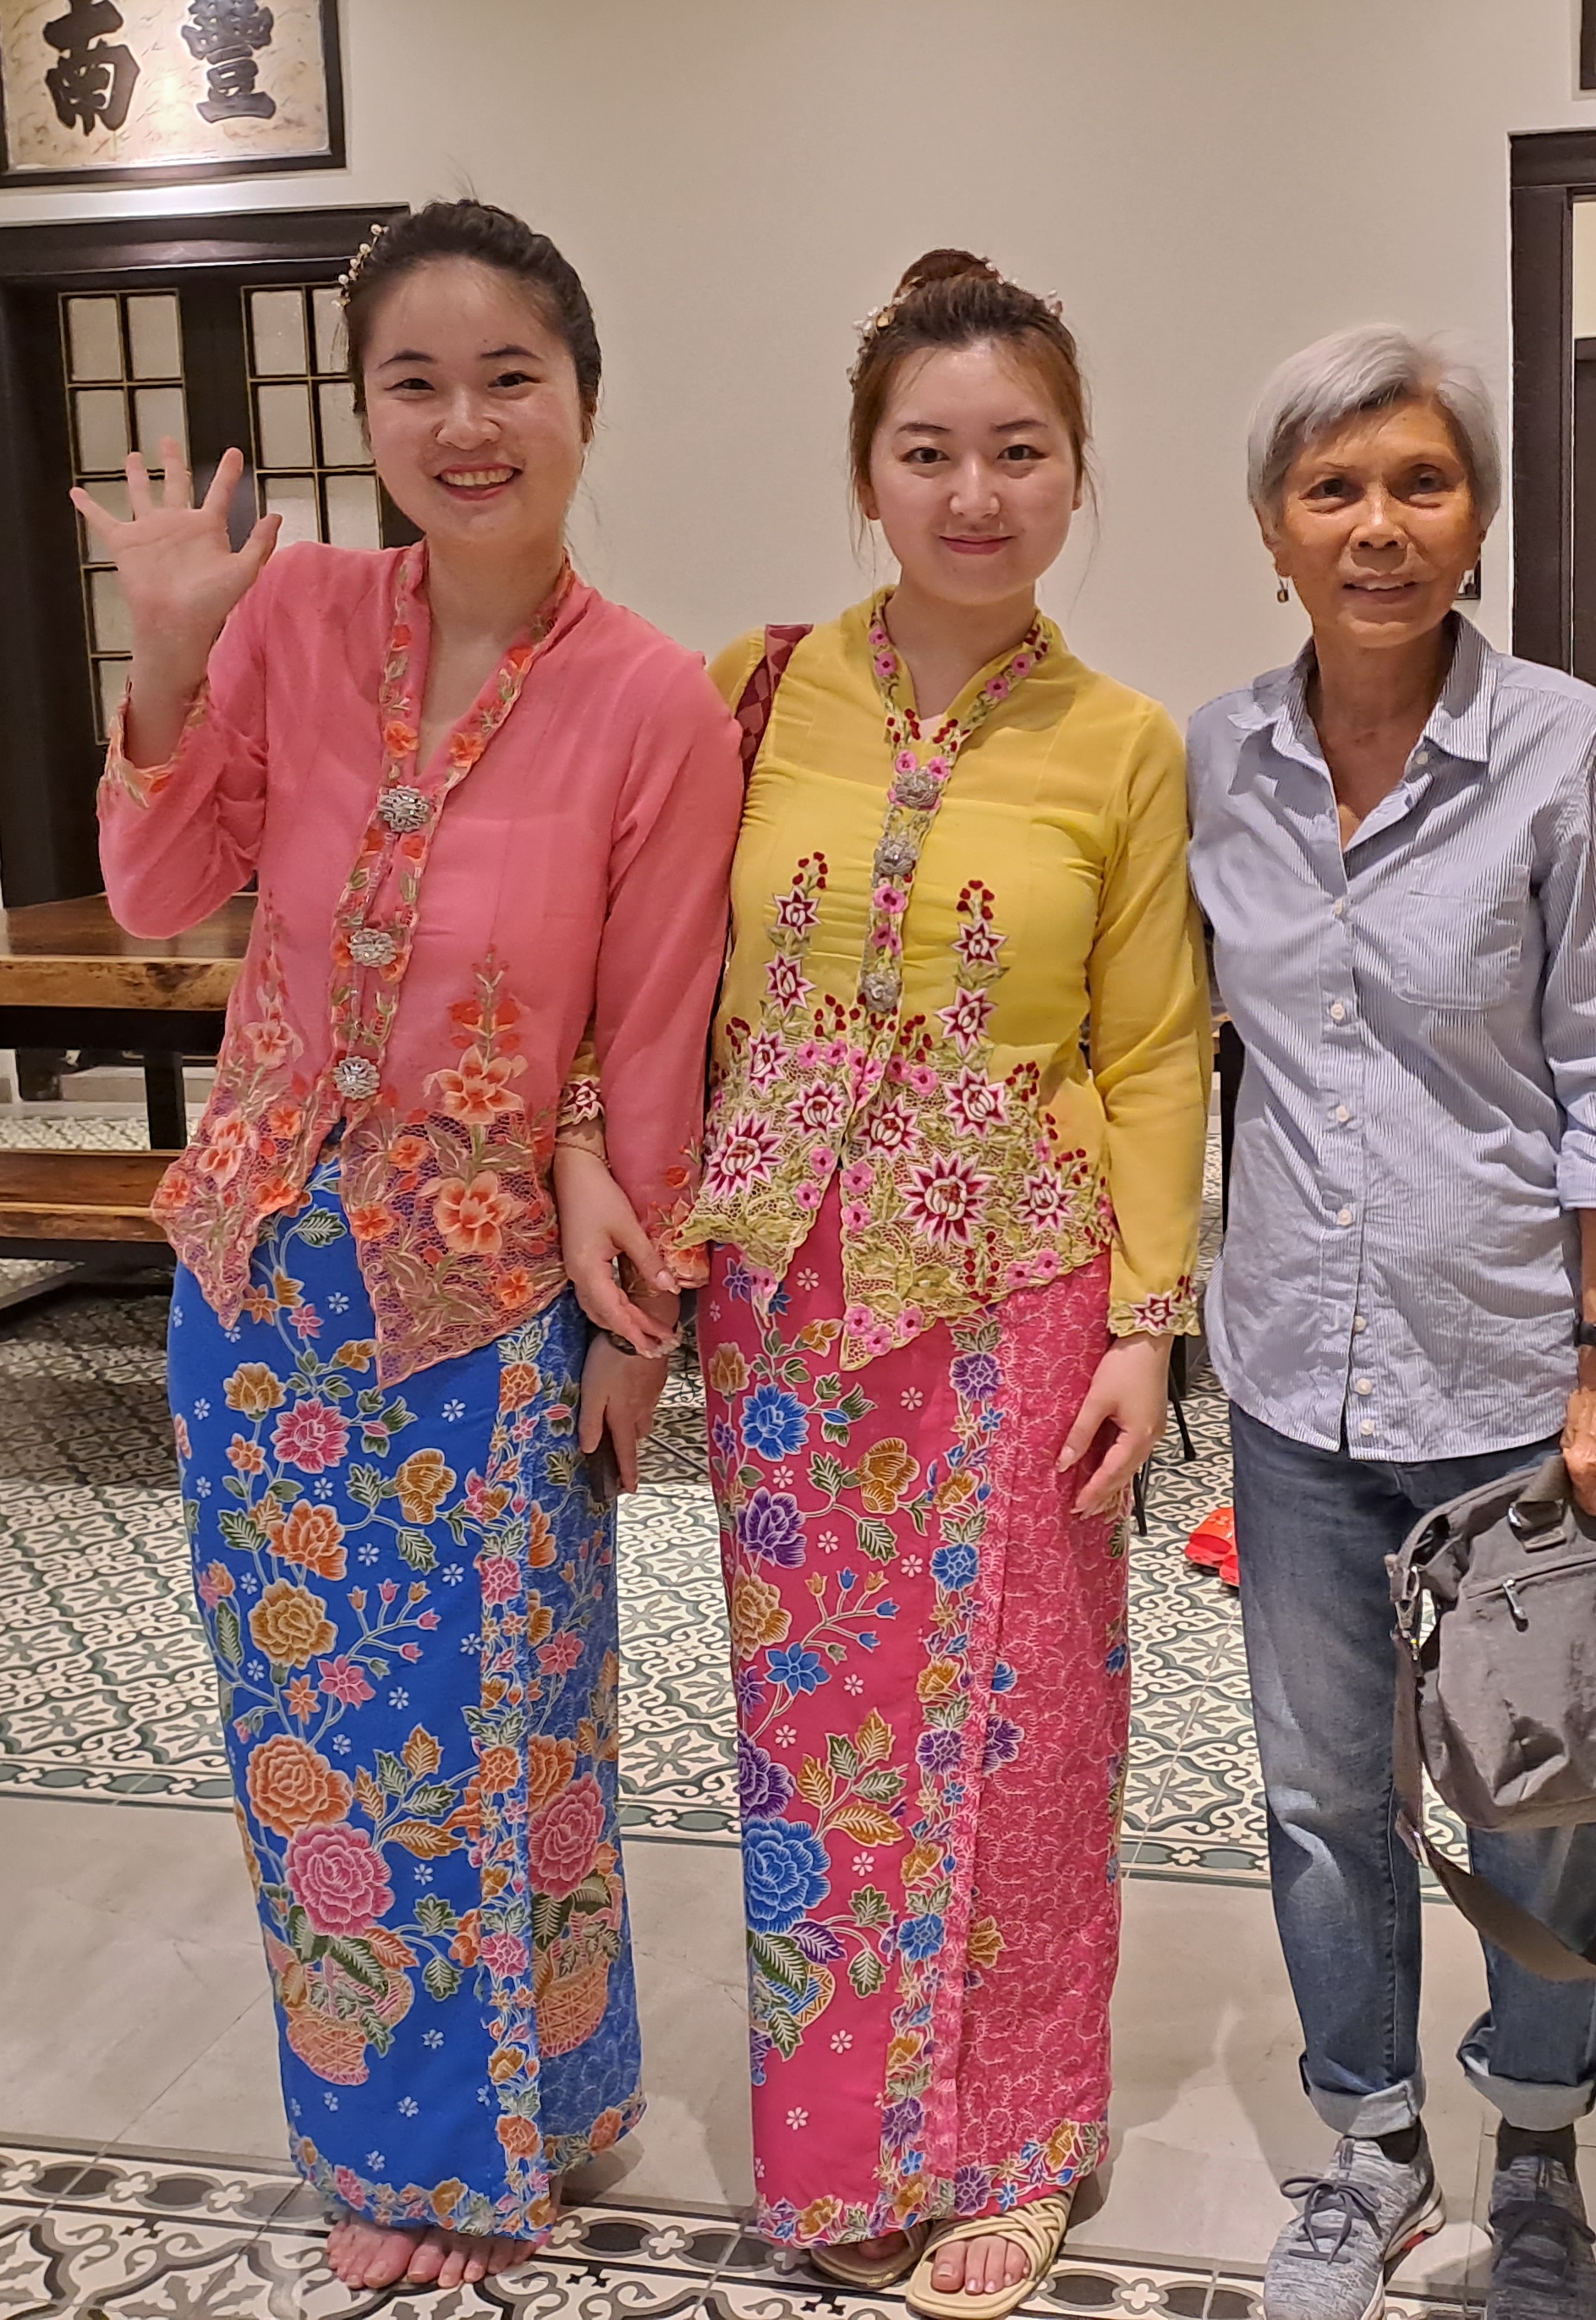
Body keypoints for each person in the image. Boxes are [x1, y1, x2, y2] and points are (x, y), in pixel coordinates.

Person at [90, 201, 743, 2297]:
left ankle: (503, 2136)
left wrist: (636, 1333)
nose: (465, 425)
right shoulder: (291, 621)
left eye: (508, 379)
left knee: (499, 1725)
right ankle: (390, 2133)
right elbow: (156, 890)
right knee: (308, 1729)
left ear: (582, 406)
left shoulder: (651, 699)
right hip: (258, 1277)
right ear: (361, 412)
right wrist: (166, 648)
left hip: (488, 1292)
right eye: (414, 384)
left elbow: (652, 1030)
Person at [560, 250, 1209, 2320]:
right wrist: (618, 1219)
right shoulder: (752, 696)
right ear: (865, 474)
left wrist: (1144, 1328)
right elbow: (649, 972)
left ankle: (1014, 2143)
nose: (972, 493)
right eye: (927, 451)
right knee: (815, 1738)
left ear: (1076, 473)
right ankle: (846, 2149)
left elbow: (1152, 1049)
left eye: (1018, 450)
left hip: (1019, 1293)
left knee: (1022, 1731)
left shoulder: (1120, 744)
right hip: (784, 1304)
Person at [1184, 327, 1596, 2320]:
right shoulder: (1215, 760)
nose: (1376, 527)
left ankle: (1537, 2162)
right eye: (1331, 490)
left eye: (1417, 483)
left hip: (1510, 1375)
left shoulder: (1571, 750)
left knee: (1538, 1802)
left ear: (1475, 517)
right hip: (1292, 1376)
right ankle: (1370, 2150)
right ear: (1272, 531)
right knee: (1323, 1796)